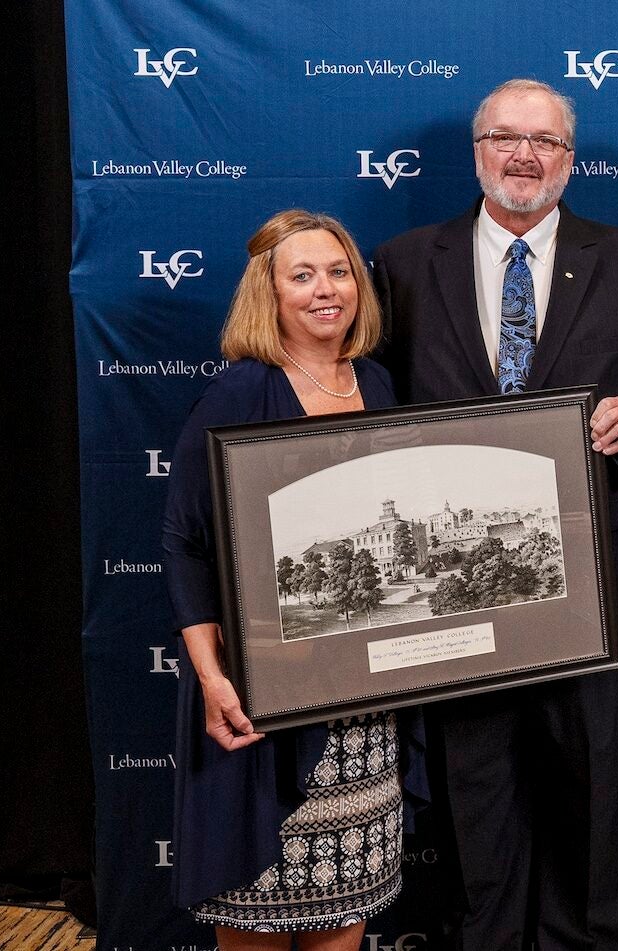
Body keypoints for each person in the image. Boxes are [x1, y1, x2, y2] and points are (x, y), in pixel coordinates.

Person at [371, 78, 618, 951]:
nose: (525, 156)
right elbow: (373, 405)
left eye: (544, 142)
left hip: (590, 590)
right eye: (506, 138)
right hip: (460, 602)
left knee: (593, 805)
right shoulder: (404, 263)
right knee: (477, 803)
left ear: (569, 160)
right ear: (478, 151)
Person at [163, 209, 424, 948]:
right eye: (301, 275)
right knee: (257, 915)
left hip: (364, 710)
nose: (325, 289)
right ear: (269, 294)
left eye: (339, 271)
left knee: (346, 913)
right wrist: (213, 678)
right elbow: (183, 540)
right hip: (261, 700)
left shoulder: (376, 381)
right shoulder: (243, 390)